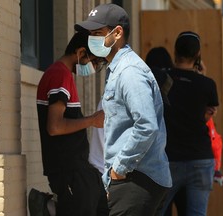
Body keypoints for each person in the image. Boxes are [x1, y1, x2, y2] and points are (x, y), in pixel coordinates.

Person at [75, 3, 172, 216]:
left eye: (98, 33)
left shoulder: (130, 72)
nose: (92, 39)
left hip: (137, 177)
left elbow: (146, 126)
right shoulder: (118, 69)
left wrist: (119, 168)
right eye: (91, 34)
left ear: (117, 32)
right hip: (132, 177)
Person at [36, 31, 109, 216]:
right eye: (93, 61)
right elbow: (55, 126)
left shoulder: (62, 75)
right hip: (70, 172)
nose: (93, 67)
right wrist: (92, 120)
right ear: (81, 52)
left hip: (80, 171)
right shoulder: (59, 75)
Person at [160, 31, 219, 216]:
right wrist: (201, 76)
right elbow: (205, 116)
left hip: (169, 159)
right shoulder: (207, 84)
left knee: (157, 210)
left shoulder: (162, 79)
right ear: (198, 55)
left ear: (175, 51)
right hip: (200, 158)